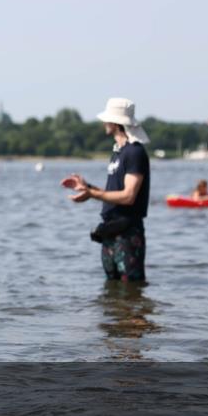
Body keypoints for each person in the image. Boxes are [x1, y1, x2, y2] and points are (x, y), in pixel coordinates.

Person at [63, 98, 151, 282]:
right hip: (111, 231)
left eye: (107, 119)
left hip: (128, 233)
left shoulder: (135, 152)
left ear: (116, 122)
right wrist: (87, 188)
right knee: (111, 293)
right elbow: (114, 191)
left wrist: (92, 194)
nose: (104, 123)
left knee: (131, 291)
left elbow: (128, 196)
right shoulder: (118, 152)